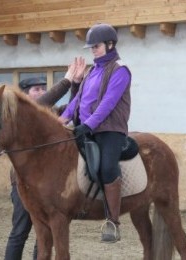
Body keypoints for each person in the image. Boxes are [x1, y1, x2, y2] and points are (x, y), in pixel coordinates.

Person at [4, 57, 86, 260]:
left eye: (42, 88)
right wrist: (67, 80)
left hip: (47, 185)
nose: (40, 92)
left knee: (44, 234)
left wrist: (76, 84)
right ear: (25, 96)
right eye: (35, 89)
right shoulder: (21, 116)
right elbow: (45, 100)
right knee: (20, 231)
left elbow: (74, 109)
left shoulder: (50, 115)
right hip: (24, 184)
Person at [59, 23, 132, 243]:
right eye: (91, 47)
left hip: (109, 129)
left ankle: (113, 222)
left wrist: (88, 125)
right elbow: (77, 102)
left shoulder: (120, 70)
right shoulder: (92, 71)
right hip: (86, 127)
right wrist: (61, 120)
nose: (93, 50)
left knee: (107, 166)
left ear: (110, 45)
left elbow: (107, 104)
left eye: (96, 46)